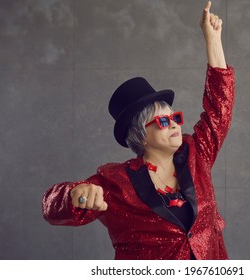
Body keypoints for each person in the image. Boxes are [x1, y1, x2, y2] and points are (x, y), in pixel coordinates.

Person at [42, 1, 235, 260]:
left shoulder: (196, 153)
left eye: (175, 117)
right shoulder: (116, 182)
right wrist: (73, 195)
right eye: (163, 121)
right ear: (140, 135)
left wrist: (213, 40)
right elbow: (51, 207)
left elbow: (219, 108)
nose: (176, 124)